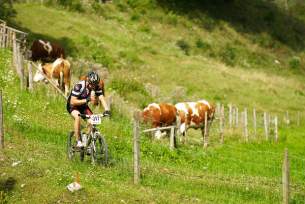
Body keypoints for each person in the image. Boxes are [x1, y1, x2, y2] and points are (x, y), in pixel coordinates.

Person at [66, 71, 111, 148]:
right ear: (87, 81)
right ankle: (78, 141)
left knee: (92, 120)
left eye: (95, 85)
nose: (93, 87)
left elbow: (101, 98)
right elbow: (72, 101)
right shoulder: (79, 86)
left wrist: (107, 109)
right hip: (73, 106)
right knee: (77, 117)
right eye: (91, 84)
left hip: (83, 106)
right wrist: (87, 100)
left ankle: (86, 139)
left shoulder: (95, 87)